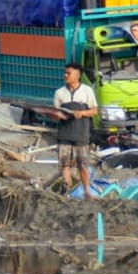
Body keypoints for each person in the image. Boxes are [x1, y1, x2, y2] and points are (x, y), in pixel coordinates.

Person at [53, 62, 99, 198]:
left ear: (78, 75)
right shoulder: (59, 93)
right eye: (65, 73)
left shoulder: (87, 91)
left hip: (81, 134)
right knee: (64, 165)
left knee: (83, 165)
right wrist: (57, 115)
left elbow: (94, 110)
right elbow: (56, 113)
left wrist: (81, 113)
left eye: (68, 73)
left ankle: (87, 191)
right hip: (64, 134)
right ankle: (68, 192)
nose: (65, 75)